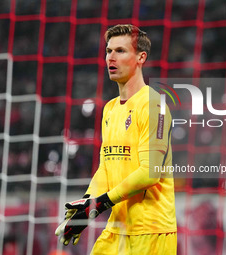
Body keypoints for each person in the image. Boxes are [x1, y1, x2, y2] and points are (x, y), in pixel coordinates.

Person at [55, 24, 177, 255]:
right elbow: (106, 169)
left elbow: (149, 173)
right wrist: (86, 205)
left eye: (120, 51)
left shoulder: (153, 105)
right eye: (108, 51)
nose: (111, 57)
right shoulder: (110, 109)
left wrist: (101, 203)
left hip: (150, 231)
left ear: (141, 57)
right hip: (118, 227)